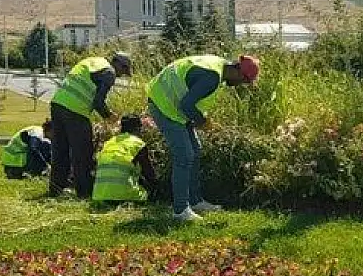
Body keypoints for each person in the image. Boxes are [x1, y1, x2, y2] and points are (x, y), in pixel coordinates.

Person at [146, 54, 260, 221]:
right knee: (184, 156)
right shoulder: (212, 77)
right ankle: (180, 210)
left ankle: (195, 201)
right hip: (163, 105)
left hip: (175, 107)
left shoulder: (219, 68)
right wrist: (203, 122)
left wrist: (202, 119)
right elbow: (186, 104)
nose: (240, 85)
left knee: (195, 151)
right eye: (244, 81)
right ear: (239, 72)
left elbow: (191, 99)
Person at [48, 52, 133, 198]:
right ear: (118, 64)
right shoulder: (109, 72)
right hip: (76, 110)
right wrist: (110, 116)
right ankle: (84, 192)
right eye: (123, 70)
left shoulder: (93, 61)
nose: (120, 75)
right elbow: (98, 102)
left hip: (58, 104)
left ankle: (56, 188)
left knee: (60, 149)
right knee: (83, 152)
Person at [93, 115, 158, 204]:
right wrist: (157, 187)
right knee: (146, 193)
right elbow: (148, 172)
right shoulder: (138, 143)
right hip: (124, 196)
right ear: (137, 128)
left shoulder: (109, 142)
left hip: (100, 195)